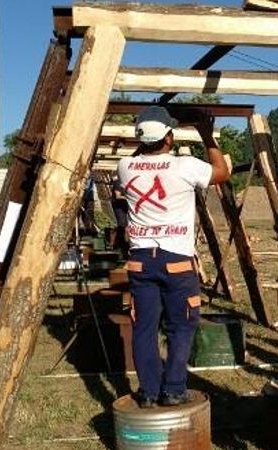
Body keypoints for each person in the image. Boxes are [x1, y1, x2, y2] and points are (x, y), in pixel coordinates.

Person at [118, 106, 229, 408]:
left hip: (141, 261)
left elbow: (144, 153)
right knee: (181, 325)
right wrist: (206, 134)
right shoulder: (185, 166)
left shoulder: (125, 166)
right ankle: (174, 388)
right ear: (169, 137)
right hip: (177, 261)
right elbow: (222, 172)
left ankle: (149, 391)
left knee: (144, 327)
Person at [110, 177, 129, 255]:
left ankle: (124, 246)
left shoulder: (123, 182)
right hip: (119, 207)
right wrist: (129, 198)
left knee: (125, 226)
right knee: (121, 226)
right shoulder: (118, 183)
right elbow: (117, 196)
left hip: (123, 207)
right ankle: (116, 245)